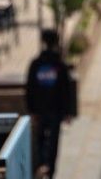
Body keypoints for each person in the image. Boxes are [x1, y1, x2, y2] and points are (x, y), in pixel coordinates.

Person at [25, 29, 74, 179]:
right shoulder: (60, 65)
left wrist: (31, 110)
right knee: (53, 142)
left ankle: (42, 165)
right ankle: (50, 171)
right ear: (56, 42)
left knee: (40, 139)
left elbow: (30, 88)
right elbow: (66, 90)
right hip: (55, 110)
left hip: (40, 110)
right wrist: (68, 111)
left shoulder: (36, 64)